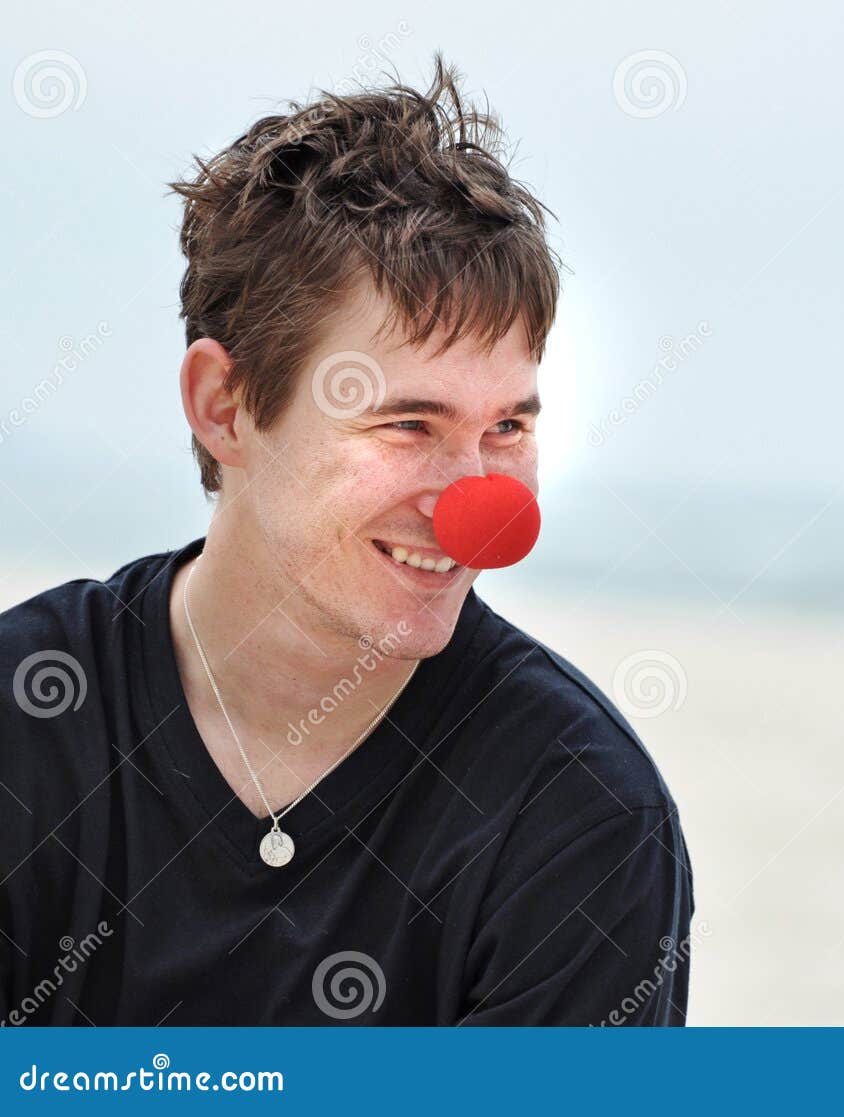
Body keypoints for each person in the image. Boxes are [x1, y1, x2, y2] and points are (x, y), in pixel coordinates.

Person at [0, 55, 693, 1026]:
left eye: (508, 428)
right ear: (226, 406)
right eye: (407, 424)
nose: (477, 503)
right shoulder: (26, 717)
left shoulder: (579, 811)